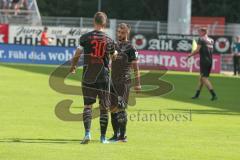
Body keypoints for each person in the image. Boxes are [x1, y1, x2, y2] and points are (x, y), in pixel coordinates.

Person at [69, 12, 116, 144]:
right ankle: (102, 137)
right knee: (104, 107)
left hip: (88, 75)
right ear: (104, 23)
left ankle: (87, 134)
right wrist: (113, 55)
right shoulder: (109, 40)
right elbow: (114, 56)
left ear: (93, 22)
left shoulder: (85, 38)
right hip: (103, 76)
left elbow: (77, 54)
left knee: (88, 106)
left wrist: (73, 66)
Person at [109, 23, 141, 142]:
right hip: (113, 81)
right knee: (112, 108)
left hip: (124, 82)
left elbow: (136, 67)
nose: (120, 34)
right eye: (118, 32)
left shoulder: (131, 48)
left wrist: (138, 83)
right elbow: (111, 61)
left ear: (127, 32)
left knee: (121, 108)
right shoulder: (114, 45)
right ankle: (115, 134)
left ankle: (123, 136)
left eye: (122, 32)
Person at [187, 27, 217, 101]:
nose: (198, 33)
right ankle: (197, 95)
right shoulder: (211, 40)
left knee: (204, 78)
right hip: (210, 61)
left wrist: (190, 55)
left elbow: (197, 50)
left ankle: (214, 95)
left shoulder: (201, 39)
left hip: (204, 61)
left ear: (203, 32)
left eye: (199, 32)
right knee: (201, 79)